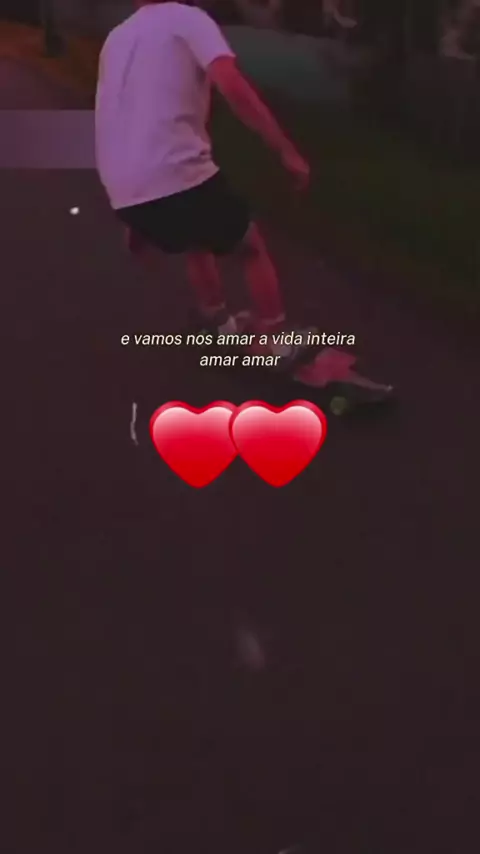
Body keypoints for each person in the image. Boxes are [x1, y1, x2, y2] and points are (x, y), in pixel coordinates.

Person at [95, 0, 310, 355]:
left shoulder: (117, 37)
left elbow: (118, 111)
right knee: (250, 247)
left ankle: (216, 321)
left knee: (196, 238)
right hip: (175, 174)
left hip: (122, 188)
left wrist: (135, 210)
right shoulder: (188, 19)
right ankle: (275, 337)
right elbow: (233, 86)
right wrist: (285, 149)